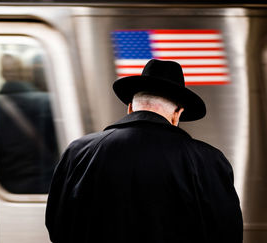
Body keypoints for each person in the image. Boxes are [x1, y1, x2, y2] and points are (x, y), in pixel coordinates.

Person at [45, 59, 243, 243]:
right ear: (177, 114)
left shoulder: (79, 152)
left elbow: (58, 225)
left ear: (130, 108)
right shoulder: (207, 160)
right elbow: (226, 233)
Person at [0, 54, 59, 194]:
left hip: (10, 188)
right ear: (24, 72)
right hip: (50, 185)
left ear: (2, 74)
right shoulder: (48, 102)